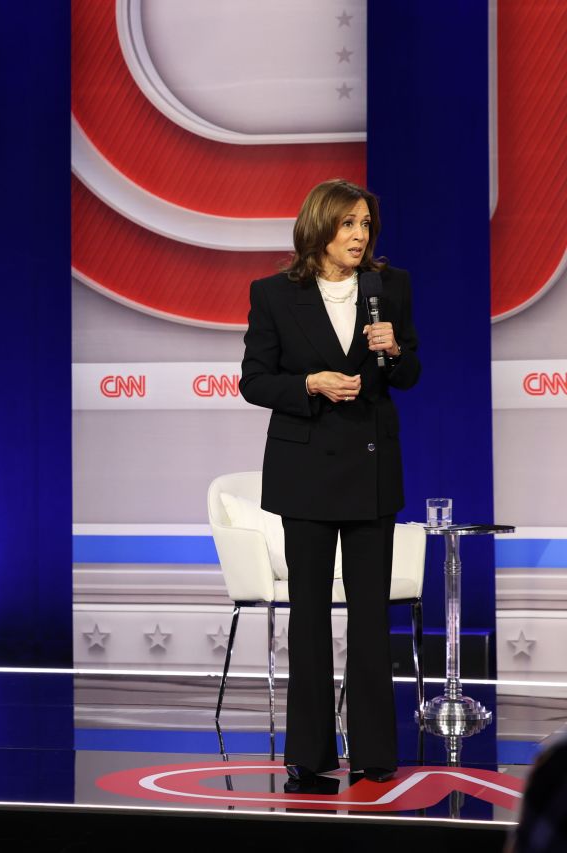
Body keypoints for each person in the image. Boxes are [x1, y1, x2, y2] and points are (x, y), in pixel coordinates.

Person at [238, 178, 420, 787]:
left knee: (370, 616)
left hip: (370, 471)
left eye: (366, 224)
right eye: (348, 224)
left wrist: (393, 351)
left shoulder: (389, 287)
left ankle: (373, 753)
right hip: (306, 471)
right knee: (309, 616)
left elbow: (411, 372)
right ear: (319, 227)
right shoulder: (273, 294)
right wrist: (310, 384)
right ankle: (308, 754)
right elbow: (255, 381)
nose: (360, 235)